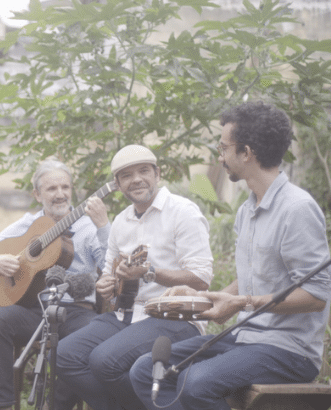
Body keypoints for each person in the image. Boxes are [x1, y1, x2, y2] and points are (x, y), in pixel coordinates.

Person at [128, 101, 331, 410]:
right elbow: (252, 277)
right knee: (145, 369)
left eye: (224, 148)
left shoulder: (296, 209)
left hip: (289, 350)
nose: (219, 156)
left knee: (196, 381)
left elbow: (316, 296)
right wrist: (207, 298)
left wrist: (242, 303)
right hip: (245, 338)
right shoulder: (247, 209)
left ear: (246, 153)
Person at [54, 145, 214, 410]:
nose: (136, 179)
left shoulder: (183, 212)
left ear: (157, 174)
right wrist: (107, 285)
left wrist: (151, 273)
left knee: (105, 360)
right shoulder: (120, 222)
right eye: (126, 175)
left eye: (144, 171)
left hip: (175, 316)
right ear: (118, 184)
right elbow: (108, 277)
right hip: (126, 315)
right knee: (64, 355)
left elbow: (201, 279)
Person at [0, 159, 111, 410]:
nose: (60, 194)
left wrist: (104, 227)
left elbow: (110, 266)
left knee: (86, 337)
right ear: (37, 194)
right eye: (51, 189)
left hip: (75, 311)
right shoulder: (27, 225)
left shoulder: (88, 227)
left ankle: (53, 406)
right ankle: (3, 404)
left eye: (65, 187)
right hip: (34, 309)